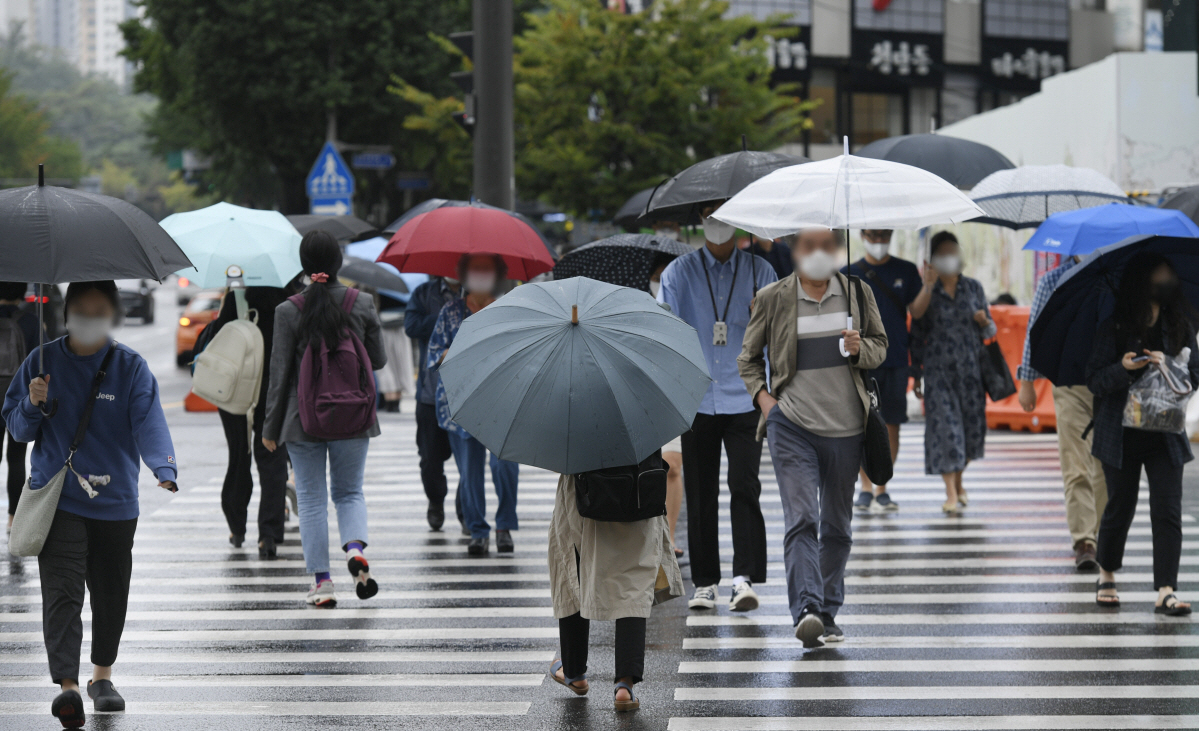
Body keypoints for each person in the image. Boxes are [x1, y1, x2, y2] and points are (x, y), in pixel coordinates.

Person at [2, 280, 177, 728]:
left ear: (112, 314)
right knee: (62, 593)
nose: (90, 315)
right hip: (58, 499)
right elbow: (18, 431)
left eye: (101, 309)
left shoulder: (130, 367)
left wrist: (164, 468)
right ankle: (69, 688)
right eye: (83, 307)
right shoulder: (41, 361)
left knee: (110, 590)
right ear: (68, 313)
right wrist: (32, 403)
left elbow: (149, 422)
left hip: (116, 499)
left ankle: (102, 677)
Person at [739, 228, 887, 647]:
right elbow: (748, 359)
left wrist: (862, 349)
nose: (819, 253)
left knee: (837, 527)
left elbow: (882, 346)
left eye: (828, 245)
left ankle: (827, 608)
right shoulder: (773, 297)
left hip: (848, 429)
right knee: (802, 519)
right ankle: (805, 607)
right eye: (809, 245)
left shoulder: (858, 293)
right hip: (792, 428)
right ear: (795, 250)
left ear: (838, 250)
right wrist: (767, 403)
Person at [657, 202, 777, 612]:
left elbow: (778, 332)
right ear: (699, 219)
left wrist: (765, 314)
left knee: (745, 486)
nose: (717, 222)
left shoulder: (761, 271)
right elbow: (662, 327)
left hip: (746, 393)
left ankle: (744, 578)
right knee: (700, 491)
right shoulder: (679, 273)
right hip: (696, 395)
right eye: (709, 213)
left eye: (724, 213)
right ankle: (706, 581)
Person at [263, 230, 387, 607]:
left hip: (303, 420)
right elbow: (378, 360)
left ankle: (322, 583)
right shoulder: (361, 302)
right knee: (349, 492)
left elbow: (280, 373)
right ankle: (354, 550)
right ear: (338, 264)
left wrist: (270, 428)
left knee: (312, 499)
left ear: (303, 266)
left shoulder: (288, 310)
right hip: (354, 414)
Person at [1087, 252, 1197, 615]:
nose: (1167, 280)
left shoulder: (1180, 322)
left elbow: (1194, 375)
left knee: (1167, 509)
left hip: (1165, 431)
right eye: (1160, 274)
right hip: (1121, 433)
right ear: (1142, 280)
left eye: (1170, 274)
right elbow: (1095, 380)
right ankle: (1107, 573)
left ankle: (1166, 589)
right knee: (1120, 507)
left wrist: (1173, 368)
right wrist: (1123, 369)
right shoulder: (1116, 325)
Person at [546, 452, 684, 712]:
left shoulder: (573, 411)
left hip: (585, 489)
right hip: (638, 485)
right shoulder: (645, 410)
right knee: (632, 584)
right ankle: (625, 685)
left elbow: (558, 458)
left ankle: (574, 671)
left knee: (574, 568)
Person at [426, 254, 520, 556]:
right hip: (459, 401)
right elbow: (433, 354)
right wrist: (455, 352)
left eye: (486, 268)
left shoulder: (508, 311)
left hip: (502, 400)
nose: (480, 274)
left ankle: (504, 525)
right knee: (469, 470)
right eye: (475, 268)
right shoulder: (450, 311)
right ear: (465, 274)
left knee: (503, 464)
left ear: (497, 273)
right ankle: (478, 530)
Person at [1018, 255, 1107, 571]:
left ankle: (1101, 534)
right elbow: (1035, 330)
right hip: (1069, 384)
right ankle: (1086, 541)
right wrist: (1027, 380)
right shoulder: (1054, 280)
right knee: (1076, 463)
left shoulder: (1119, 274)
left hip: (1111, 384)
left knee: (1106, 465)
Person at [843, 229, 931, 513]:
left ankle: (882, 487)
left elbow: (917, 313)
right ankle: (865, 487)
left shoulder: (905, 271)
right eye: (873, 234)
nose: (878, 240)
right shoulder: (848, 272)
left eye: (884, 234)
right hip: (861, 361)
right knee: (861, 424)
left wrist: (928, 284)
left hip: (895, 358)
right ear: (862, 234)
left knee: (891, 425)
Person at [910, 231, 994, 513]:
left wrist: (983, 322)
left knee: (969, 433)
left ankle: (959, 482)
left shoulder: (973, 288)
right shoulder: (927, 290)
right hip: (938, 373)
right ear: (933, 259)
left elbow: (991, 330)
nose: (949, 257)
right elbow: (916, 320)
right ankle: (950, 493)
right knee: (947, 431)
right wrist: (927, 286)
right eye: (942, 252)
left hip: (971, 373)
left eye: (953, 251)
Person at [212, 286, 291, 558]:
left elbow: (218, 339)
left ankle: (237, 527)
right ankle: (268, 534)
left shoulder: (237, 299)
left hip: (237, 390)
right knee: (273, 459)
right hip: (275, 391)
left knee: (239, 457)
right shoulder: (290, 299)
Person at [406, 276, 463, 531]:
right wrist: (444, 315)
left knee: (468, 461)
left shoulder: (478, 293)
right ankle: (436, 502)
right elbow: (411, 326)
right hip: (431, 393)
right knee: (430, 459)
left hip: (466, 393)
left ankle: (467, 511)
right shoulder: (423, 293)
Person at [0, 281, 40, 532]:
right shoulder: (30, 321)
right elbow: (44, 357)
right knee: (16, 458)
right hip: (18, 397)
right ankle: (14, 518)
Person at [375, 293, 416, 413]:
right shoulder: (406, 283)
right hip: (401, 321)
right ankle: (396, 400)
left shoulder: (377, 280)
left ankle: (390, 399)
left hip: (383, 322)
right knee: (402, 362)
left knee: (387, 364)